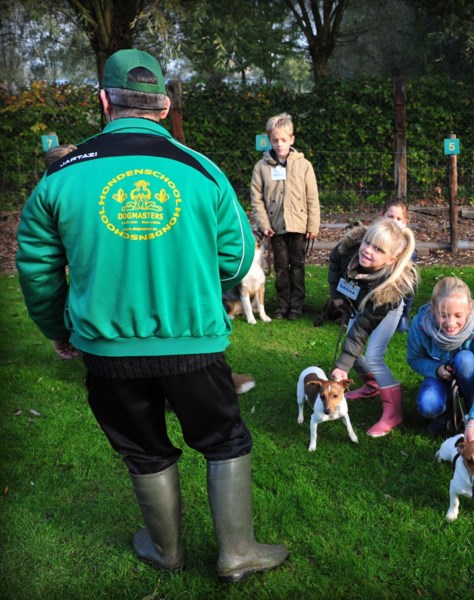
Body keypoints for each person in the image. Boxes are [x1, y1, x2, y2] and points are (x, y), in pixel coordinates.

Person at [15, 49, 286, 582]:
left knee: (142, 448)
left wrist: (58, 330)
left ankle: (166, 551)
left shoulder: (60, 178)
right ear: (163, 106)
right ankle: (238, 552)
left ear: (103, 101)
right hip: (195, 342)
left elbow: (37, 272)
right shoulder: (201, 170)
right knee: (224, 439)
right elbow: (235, 259)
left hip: (107, 349)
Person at [328, 218, 418, 437]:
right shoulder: (348, 249)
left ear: (391, 259)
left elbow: (362, 329)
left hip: (383, 308)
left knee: (373, 356)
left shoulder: (389, 290)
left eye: (378, 249)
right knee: (350, 353)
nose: (367, 250)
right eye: (367, 242)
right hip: (361, 299)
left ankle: (393, 412)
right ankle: (372, 386)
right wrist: (337, 295)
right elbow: (334, 266)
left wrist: (341, 367)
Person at [407, 277, 474, 440]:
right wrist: (436, 369)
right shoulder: (420, 323)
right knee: (428, 405)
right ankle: (446, 413)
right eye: (443, 315)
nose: (450, 323)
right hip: (440, 376)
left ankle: (473, 413)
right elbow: (414, 359)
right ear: (432, 309)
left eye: (458, 315)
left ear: (470, 309)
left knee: (465, 359)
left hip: (471, 377)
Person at [250, 112, 320, 320]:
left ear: (292, 139)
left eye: (283, 140)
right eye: (275, 140)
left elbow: (312, 197)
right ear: (269, 140)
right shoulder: (261, 167)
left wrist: (313, 226)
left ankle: (296, 305)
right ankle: (282, 304)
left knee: (297, 265)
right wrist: (264, 225)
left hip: (298, 225)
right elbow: (256, 199)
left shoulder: (304, 165)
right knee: (281, 266)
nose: (279, 144)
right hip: (275, 226)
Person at [380, 198, 417, 333]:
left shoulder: (407, 242)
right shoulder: (377, 235)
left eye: (399, 218)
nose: (394, 221)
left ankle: (404, 315)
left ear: (405, 222)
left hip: (400, 274)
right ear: (382, 215)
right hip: (380, 273)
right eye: (390, 216)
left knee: (411, 282)